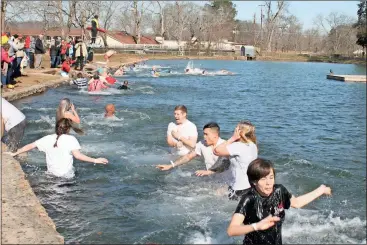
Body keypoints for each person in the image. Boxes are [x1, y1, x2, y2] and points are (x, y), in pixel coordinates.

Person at [227, 158, 332, 245]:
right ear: (254, 181)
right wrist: (257, 226)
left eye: (271, 178)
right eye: (263, 179)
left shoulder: (279, 191)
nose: (269, 183)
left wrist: (321, 190)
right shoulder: (249, 199)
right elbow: (232, 230)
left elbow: (297, 203)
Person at [9, 118, 108, 178]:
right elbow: (78, 156)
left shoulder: (47, 138)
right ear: (68, 129)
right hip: (66, 178)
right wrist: (95, 160)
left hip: (50, 176)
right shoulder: (71, 139)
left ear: (56, 127)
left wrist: (15, 152)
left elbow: (31, 145)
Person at [157, 122, 230, 177]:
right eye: (203, 134)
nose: (204, 137)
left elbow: (225, 164)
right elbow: (188, 156)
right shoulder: (202, 144)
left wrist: (209, 172)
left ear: (215, 135)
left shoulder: (225, 145)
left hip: (227, 181)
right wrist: (171, 165)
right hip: (212, 178)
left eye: (206, 134)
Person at [214, 120, 258, 200]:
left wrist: (232, 138)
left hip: (239, 187)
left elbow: (216, 151)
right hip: (250, 185)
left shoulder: (238, 146)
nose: (234, 131)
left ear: (239, 132)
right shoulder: (253, 145)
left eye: (235, 129)